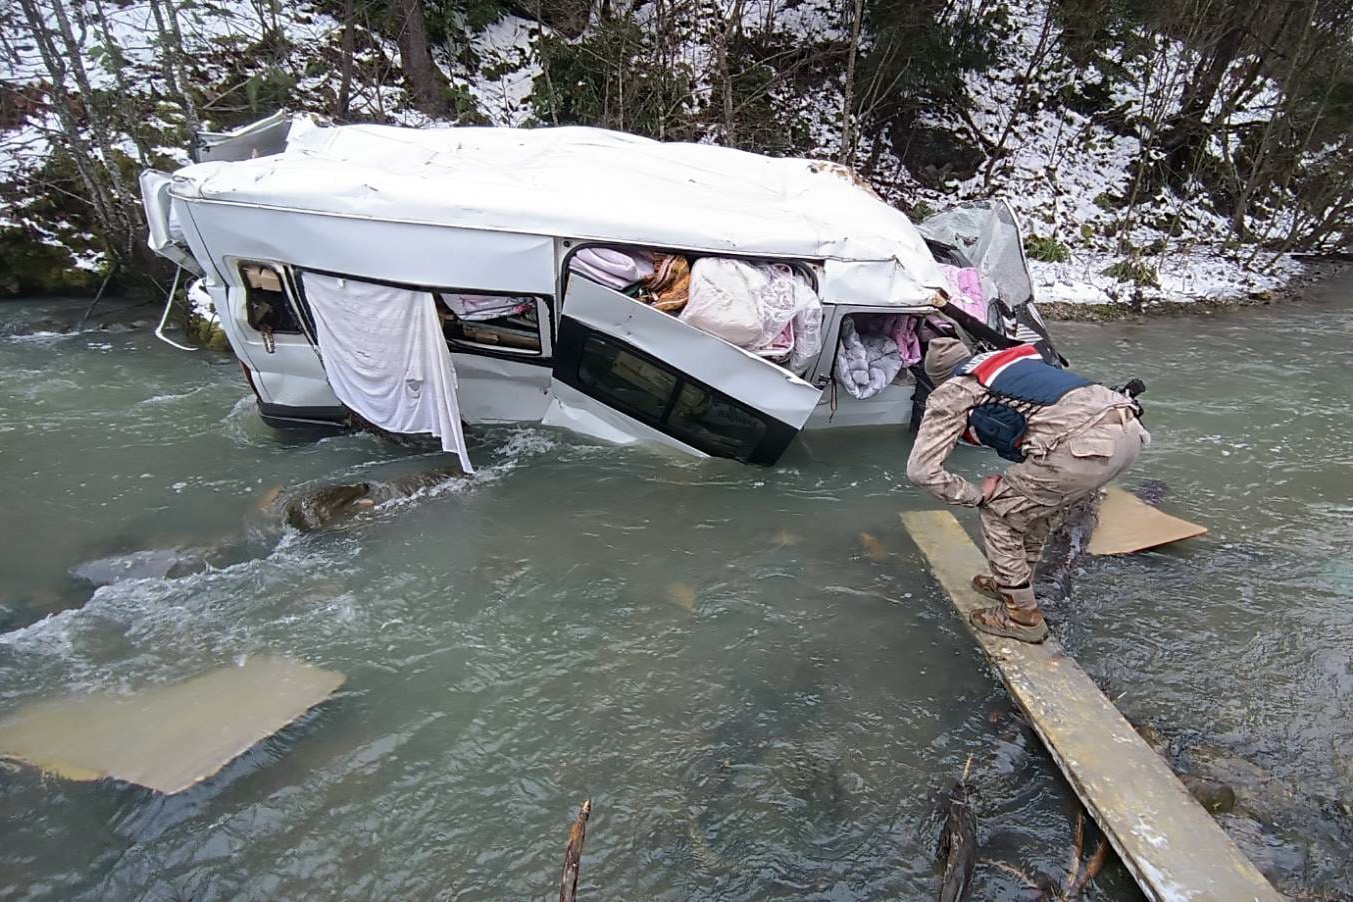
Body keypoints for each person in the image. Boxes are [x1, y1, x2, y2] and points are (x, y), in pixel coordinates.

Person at [906, 337, 1150, 642]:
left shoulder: (954, 389)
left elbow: (921, 471)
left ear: (937, 377)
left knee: (999, 512)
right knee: (1031, 508)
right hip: (1129, 432)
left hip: (1085, 446)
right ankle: (1016, 585)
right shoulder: (1009, 365)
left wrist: (976, 494)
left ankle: (1022, 617)